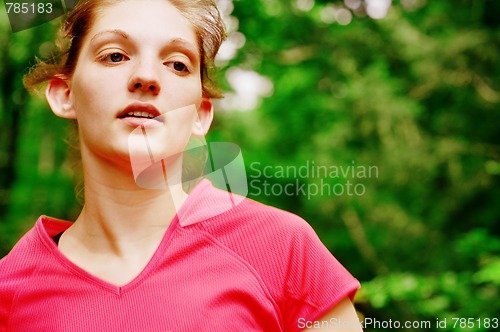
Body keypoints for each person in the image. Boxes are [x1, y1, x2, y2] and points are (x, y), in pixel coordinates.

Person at [0, 0, 362, 331]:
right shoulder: (10, 288)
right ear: (65, 94)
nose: (147, 77)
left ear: (199, 115)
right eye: (115, 56)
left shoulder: (282, 249)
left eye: (177, 64)